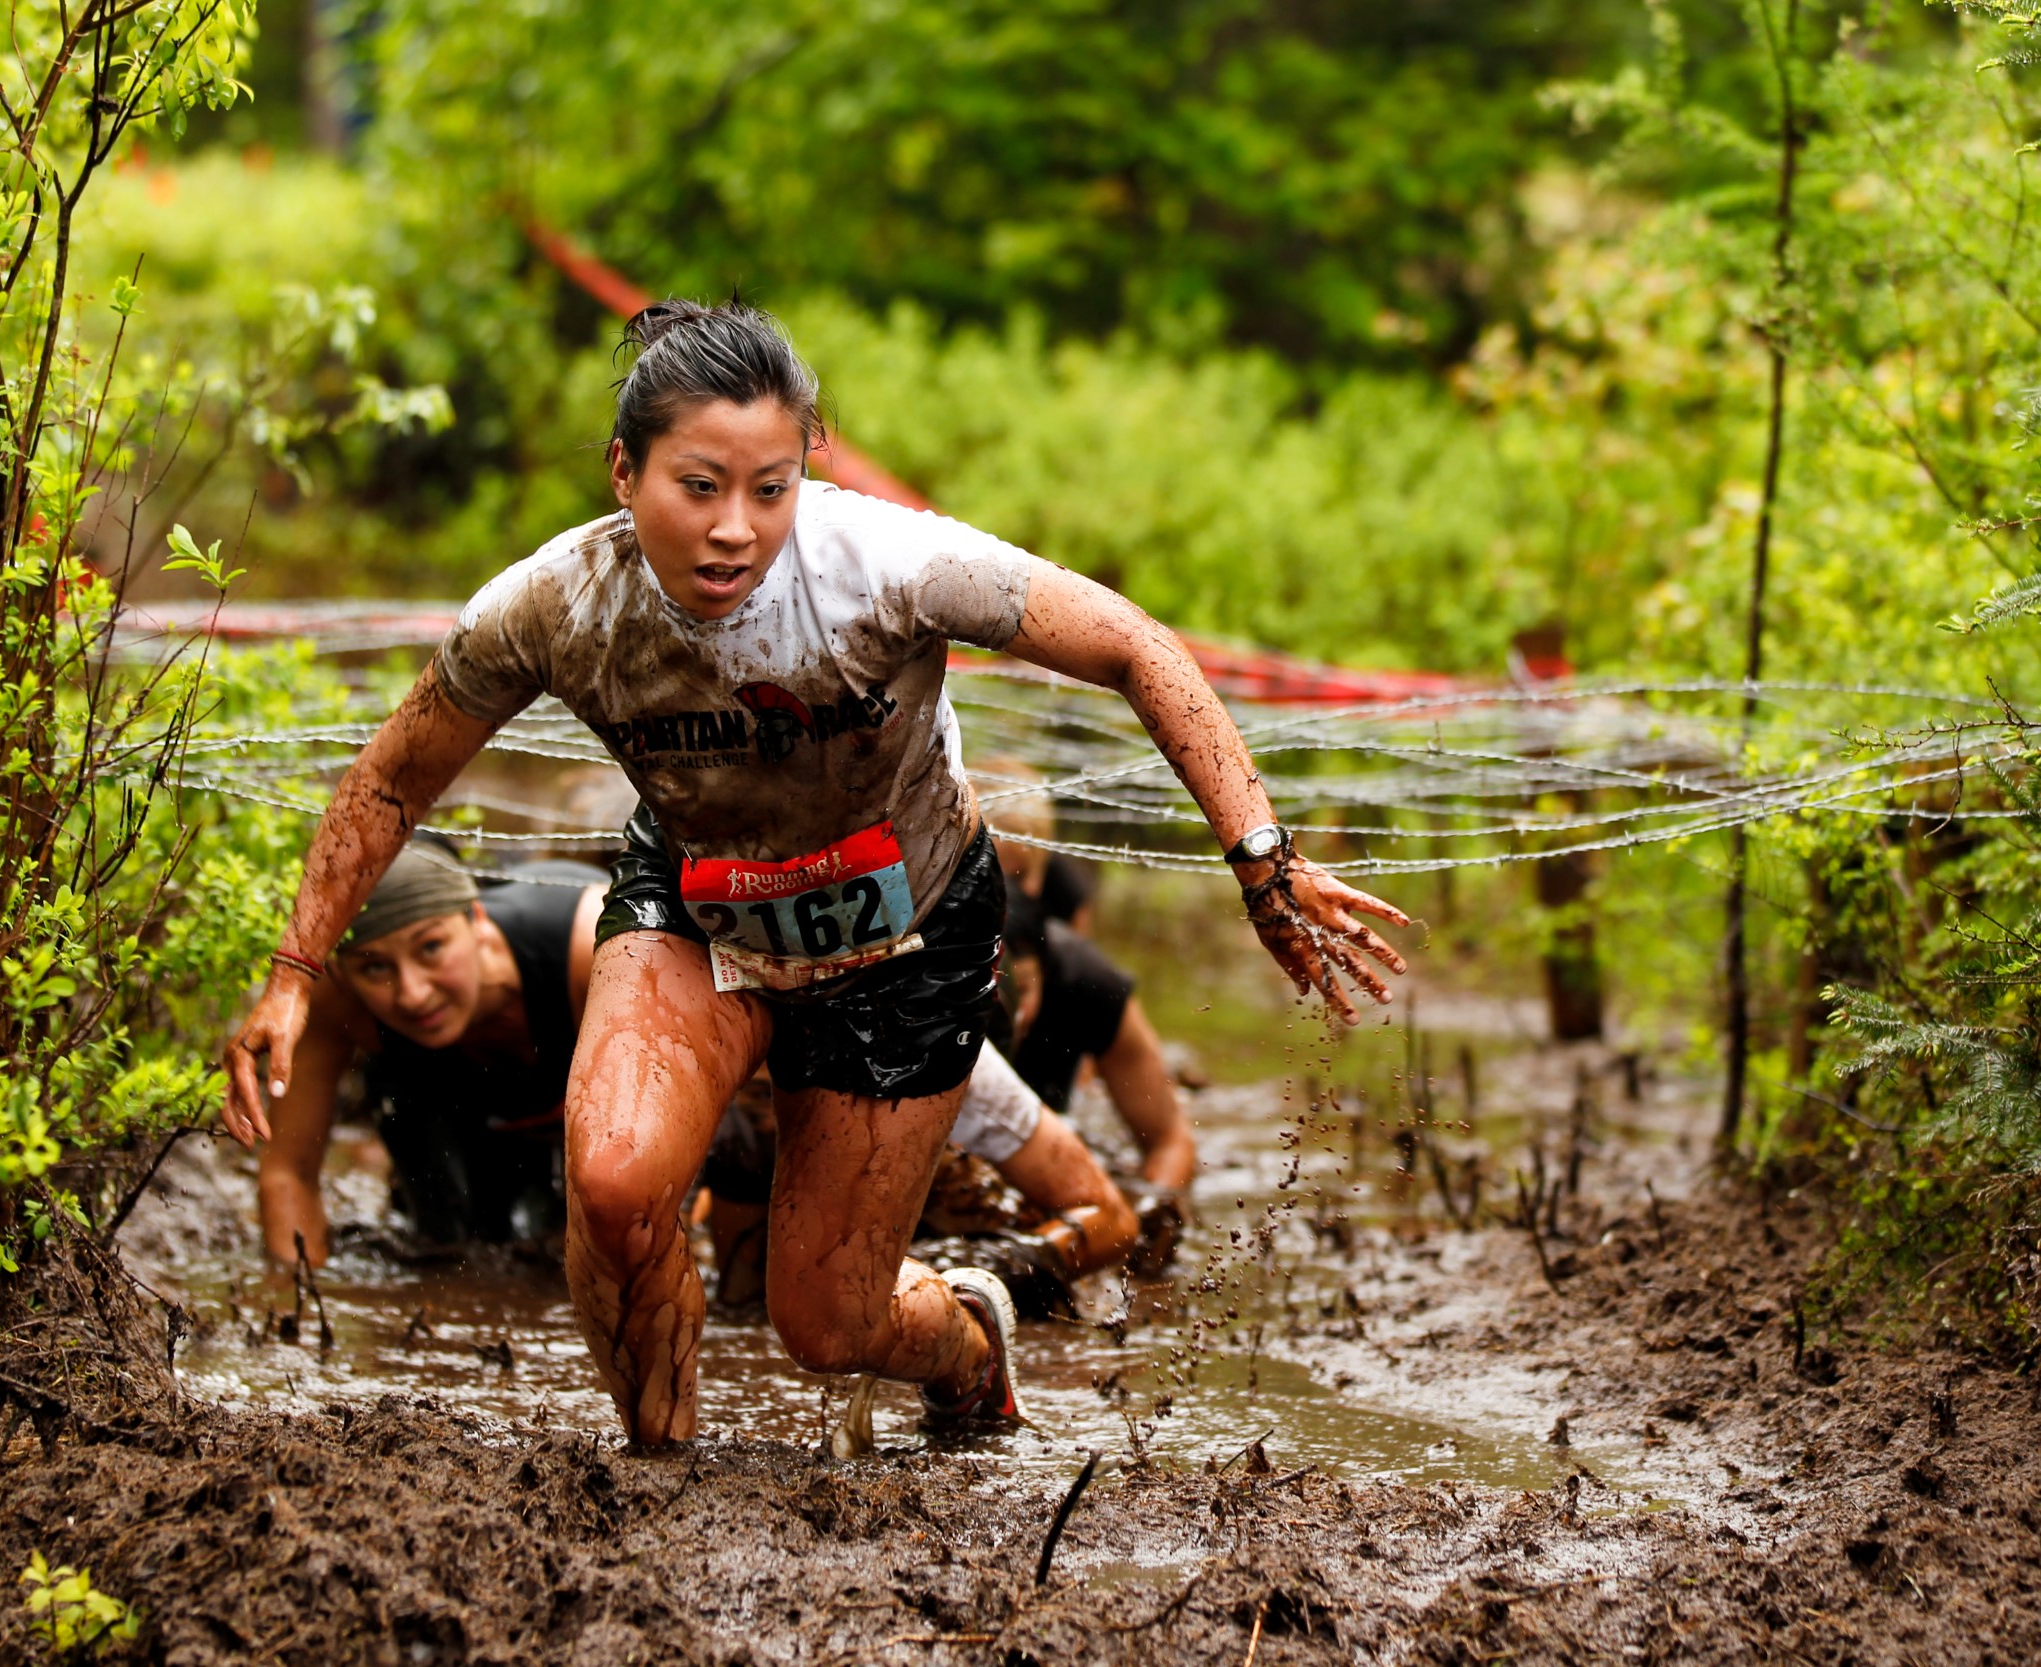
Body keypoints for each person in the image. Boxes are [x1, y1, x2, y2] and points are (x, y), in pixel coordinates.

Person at [221, 299, 1408, 1448]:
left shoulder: (887, 564)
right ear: (622, 473)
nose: (735, 527)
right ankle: (658, 1470)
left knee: (826, 1322)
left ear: (807, 473)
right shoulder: (552, 603)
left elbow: (1135, 645)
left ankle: (967, 1341)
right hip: (696, 898)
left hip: (906, 935)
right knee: (619, 1180)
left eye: (769, 488)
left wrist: (1263, 858)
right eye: (699, 487)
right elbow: (390, 777)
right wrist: (290, 972)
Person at [246, 841, 602, 1266]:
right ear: (342, 973)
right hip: (437, 1090)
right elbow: (289, 1174)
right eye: (375, 967)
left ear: (478, 923)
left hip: (593, 1077)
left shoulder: (595, 951)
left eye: (431, 948)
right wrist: (297, 1311)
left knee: (593, 1224)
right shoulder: (332, 1000)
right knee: (451, 1249)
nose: (413, 995)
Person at [701, 1043, 1141, 1309]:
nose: (772, 1116)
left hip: (972, 1219)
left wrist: (988, 1269)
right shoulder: (743, 1125)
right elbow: (741, 1301)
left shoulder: (953, 1056)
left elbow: (1114, 1222)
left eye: (779, 1091)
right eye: (757, 1096)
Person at [981, 777, 1197, 1194]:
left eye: (1017, 992)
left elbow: (1170, 1142)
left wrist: (1148, 1212)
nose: (1005, 1016)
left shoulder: (1086, 982)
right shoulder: (907, 979)